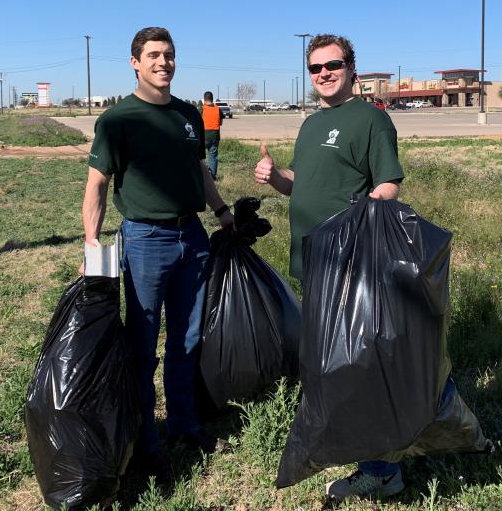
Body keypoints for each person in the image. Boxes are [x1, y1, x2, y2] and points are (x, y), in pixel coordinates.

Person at [253, 34, 406, 500]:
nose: (323, 73)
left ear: (352, 68)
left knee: (358, 367)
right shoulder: (311, 125)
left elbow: (388, 186)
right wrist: (276, 177)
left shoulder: (370, 121)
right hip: (313, 264)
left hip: (350, 264)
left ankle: (382, 470)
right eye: (316, 67)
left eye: (332, 65)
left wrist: (352, 225)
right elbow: (303, 184)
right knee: (330, 366)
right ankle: (348, 445)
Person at [80, 26, 235, 479]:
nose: (162, 62)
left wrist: (222, 211)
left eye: (168, 55)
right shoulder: (117, 120)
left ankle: (185, 426)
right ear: (135, 62)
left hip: (193, 237)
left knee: (187, 339)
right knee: (143, 344)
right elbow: (97, 184)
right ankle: (146, 441)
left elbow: (199, 171)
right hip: (146, 240)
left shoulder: (188, 115)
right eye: (152, 55)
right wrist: (91, 240)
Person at [200, 90, 222, 179]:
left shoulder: (201, 109)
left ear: (204, 100)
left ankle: (202, 175)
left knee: (200, 156)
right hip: (215, 135)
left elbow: (197, 122)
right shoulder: (218, 109)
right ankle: (212, 177)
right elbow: (220, 122)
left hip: (203, 135)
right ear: (212, 99)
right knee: (213, 156)